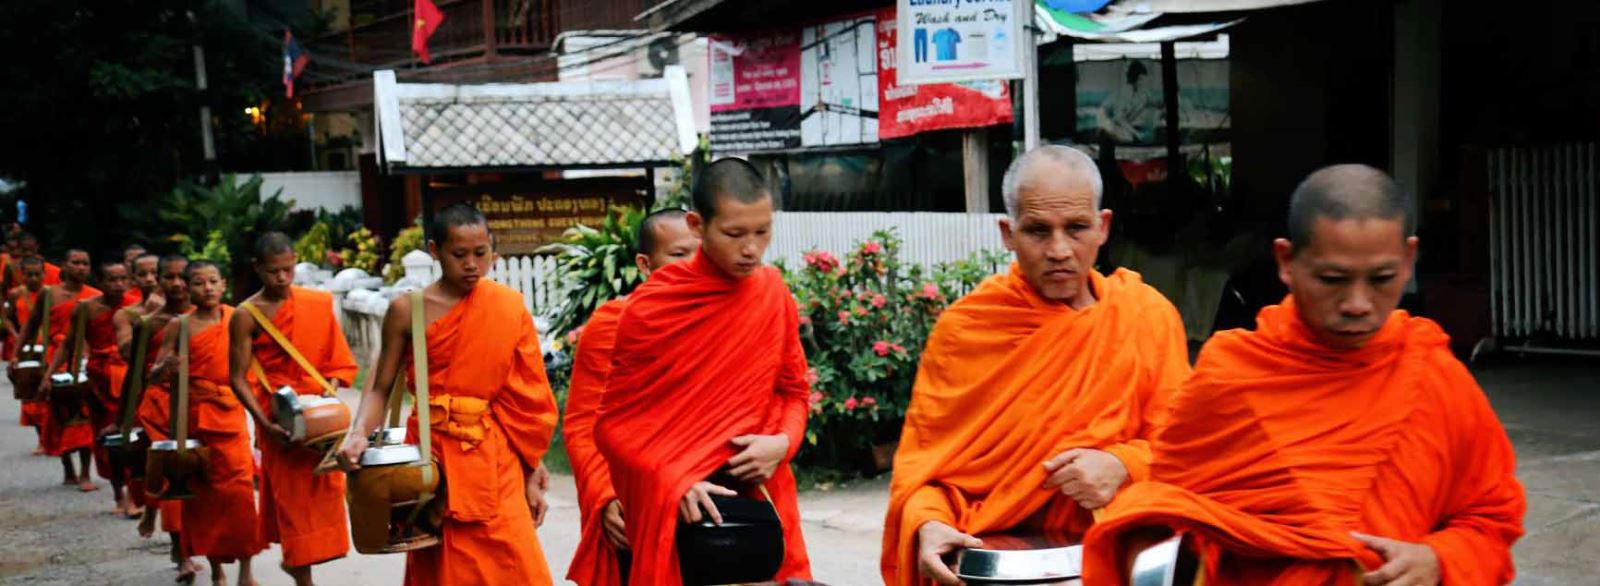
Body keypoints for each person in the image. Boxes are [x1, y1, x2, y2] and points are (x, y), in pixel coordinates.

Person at [1081, 165, 1527, 585]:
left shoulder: (1433, 376)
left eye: (1381, 278)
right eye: (1333, 279)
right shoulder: (1234, 379)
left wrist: (1439, 558)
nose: (1358, 303)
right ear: (1286, 261)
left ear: (1408, 259)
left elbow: (1490, 518)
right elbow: (1164, 512)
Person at [880, 146, 1190, 585]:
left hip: (1116, 557)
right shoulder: (967, 331)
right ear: (1008, 233)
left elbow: (1190, 453)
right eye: (1038, 231)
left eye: (1076, 228)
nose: (1059, 250)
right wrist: (929, 524)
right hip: (993, 564)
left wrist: (1125, 465)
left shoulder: (1146, 318)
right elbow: (925, 473)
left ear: (1102, 227)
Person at [595, 158, 812, 585]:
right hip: (683, 513)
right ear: (697, 226)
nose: (751, 248)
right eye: (734, 234)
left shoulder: (772, 293)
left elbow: (793, 392)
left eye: (762, 232)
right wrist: (673, 479)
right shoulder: (653, 309)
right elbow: (613, 427)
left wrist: (783, 443)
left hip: (761, 500)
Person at [335, 204, 560, 585]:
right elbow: (379, 385)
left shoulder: (507, 307)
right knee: (446, 567)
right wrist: (358, 435)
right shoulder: (408, 310)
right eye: (459, 255)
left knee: (517, 562)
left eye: (481, 253)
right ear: (435, 251)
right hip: (435, 459)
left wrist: (531, 467)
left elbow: (524, 395)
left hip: (498, 456)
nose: (471, 264)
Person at [565, 209, 698, 586]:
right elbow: (583, 424)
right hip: (636, 501)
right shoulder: (613, 324)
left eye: (699, 253)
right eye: (678, 254)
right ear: (644, 263)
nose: (692, 265)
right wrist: (605, 496)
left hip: (711, 495)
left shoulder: (725, 319)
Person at [226, 233, 356, 586]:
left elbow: (336, 358)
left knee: (323, 496)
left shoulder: (316, 303)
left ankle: (299, 565)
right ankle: (303, 576)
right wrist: (264, 424)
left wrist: (329, 391)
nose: (282, 279)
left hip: (319, 419)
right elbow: (237, 377)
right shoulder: (246, 315)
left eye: (288, 269)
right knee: (291, 503)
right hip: (279, 418)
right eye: (273, 272)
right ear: (257, 268)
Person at [148, 261, 261, 586]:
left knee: (240, 495)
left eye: (213, 281)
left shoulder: (238, 317)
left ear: (223, 283)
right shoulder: (179, 327)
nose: (207, 288)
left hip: (231, 414)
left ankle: (246, 571)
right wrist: (165, 367)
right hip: (196, 421)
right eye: (199, 283)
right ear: (187, 287)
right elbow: (154, 376)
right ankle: (216, 570)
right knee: (207, 499)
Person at [45, 257, 141, 516]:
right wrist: (49, 375)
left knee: (135, 437)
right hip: (100, 380)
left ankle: (134, 495)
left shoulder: (137, 307)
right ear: (100, 282)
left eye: (124, 279)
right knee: (107, 439)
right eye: (112, 279)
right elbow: (68, 345)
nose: (119, 285)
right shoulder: (86, 309)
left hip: (132, 379)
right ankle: (119, 494)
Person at [132, 254, 200, 583]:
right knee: (174, 469)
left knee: (200, 476)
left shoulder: (211, 316)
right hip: (161, 406)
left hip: (200, 404)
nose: (175, 284)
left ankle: (185, 536)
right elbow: (136, 371)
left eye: (181, 277)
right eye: (167, 277)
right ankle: (182, 550)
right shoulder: (151, 323)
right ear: (158, 281)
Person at [20, 248, 101, 491]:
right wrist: (18, 355)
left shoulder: (96, 297)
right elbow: (32, 324)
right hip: (54, 358)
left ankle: (86, 472)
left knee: (85, 415)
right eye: (75, 262)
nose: (80, 268)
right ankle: (68, 467)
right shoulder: (49, 294)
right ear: (63, 266)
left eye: (85, 263)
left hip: (85, 361)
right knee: (58, 413)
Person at [9, 257, 50, 452]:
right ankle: (41, 439)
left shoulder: (51, 294)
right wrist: (15, 336)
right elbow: (7, 318)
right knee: (30, 398)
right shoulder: (15, 294)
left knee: (48, 396)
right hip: (26, 351)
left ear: (44, 274)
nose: (33, 278)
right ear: (22, 274)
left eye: (37, 274)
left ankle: (49, 437)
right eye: (28, 274)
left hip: (49, 349)